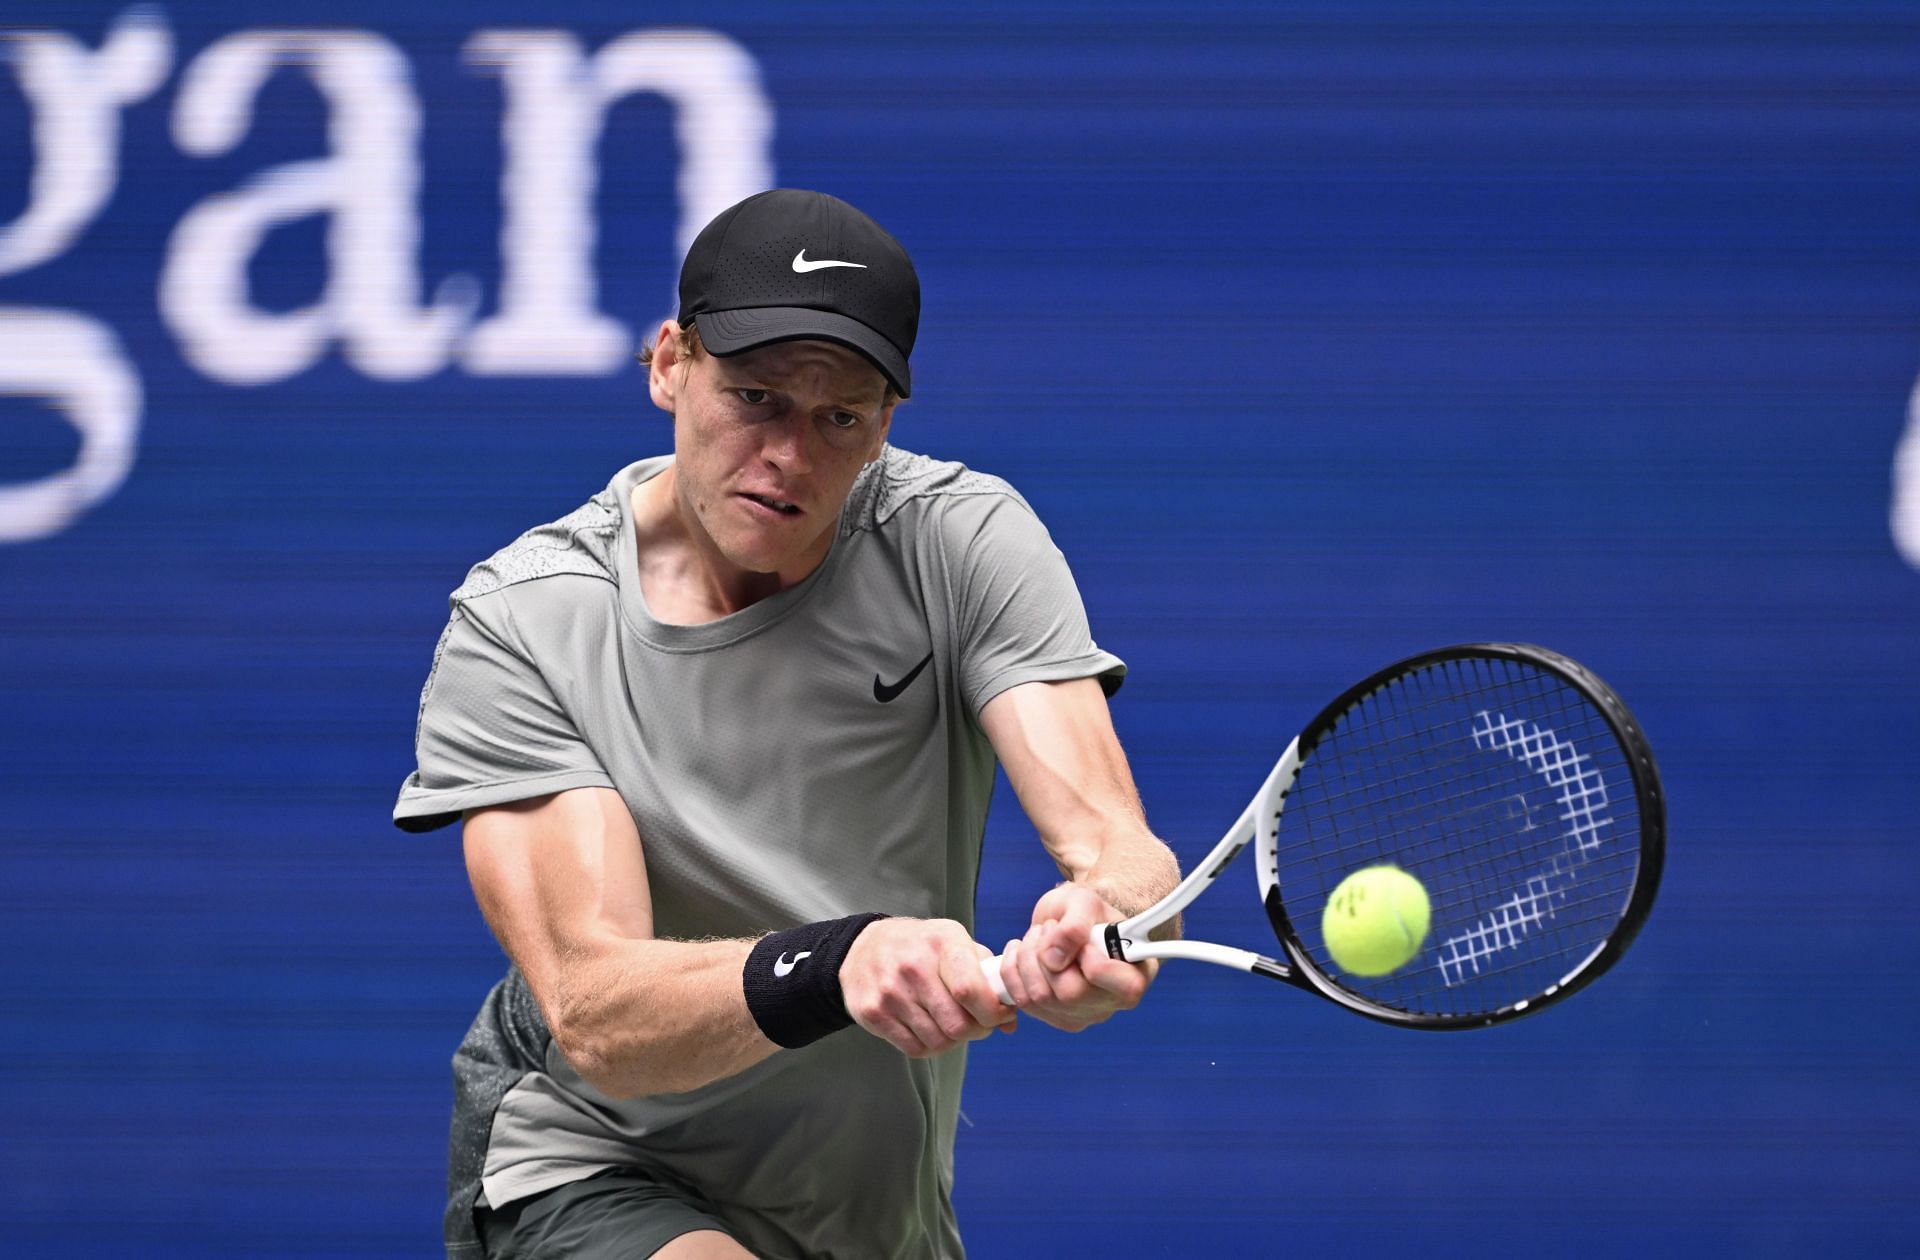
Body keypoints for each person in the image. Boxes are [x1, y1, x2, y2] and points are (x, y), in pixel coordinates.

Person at [394, 188, 1181, 1259]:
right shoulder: (527, 622)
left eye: (839, 417)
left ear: (887, 423)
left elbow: (1120, 851)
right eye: (755, 396)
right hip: (592, 1162)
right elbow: (597, 1010)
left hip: (873, 1215)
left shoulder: (962, 544)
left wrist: (1106, 928)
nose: (789, 456)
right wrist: (837, 962)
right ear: (670, 363)